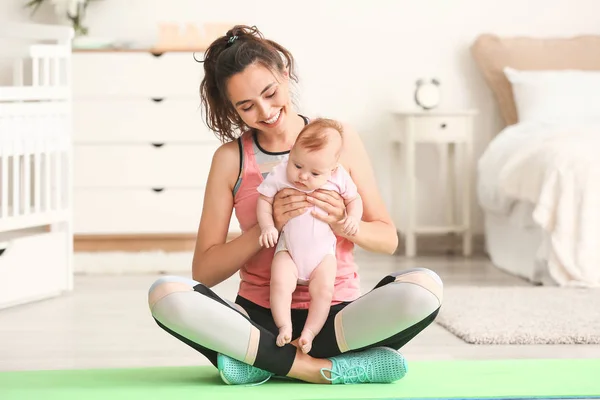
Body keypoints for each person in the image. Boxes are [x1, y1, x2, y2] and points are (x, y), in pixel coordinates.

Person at [147, 25, 443, 386]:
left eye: (270, 93)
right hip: (260, 319)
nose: (266, 111)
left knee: (424, 289)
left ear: (284, 73)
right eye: (246, 106)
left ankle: (263, 363)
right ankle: (325, 369)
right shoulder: (231, 159)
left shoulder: (339, 139)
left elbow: (387, 238)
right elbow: (205, 272)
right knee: (166, 295)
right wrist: (264, 228)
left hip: (337, 315)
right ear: (232, 108)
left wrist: (341, 221)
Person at [256, 118, 363, 354]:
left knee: (324, 291)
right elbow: (264, 199)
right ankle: (285, 326)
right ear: (292, 151)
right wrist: (267, 227)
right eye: (298, 165)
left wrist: (352, 218)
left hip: (323, 255)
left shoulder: (339, 177)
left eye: (315, 172)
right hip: (289, 251)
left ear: (332, 169)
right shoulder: (281, 171)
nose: (302, 176)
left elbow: (355, 200)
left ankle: (310, 333)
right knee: (280, 284)